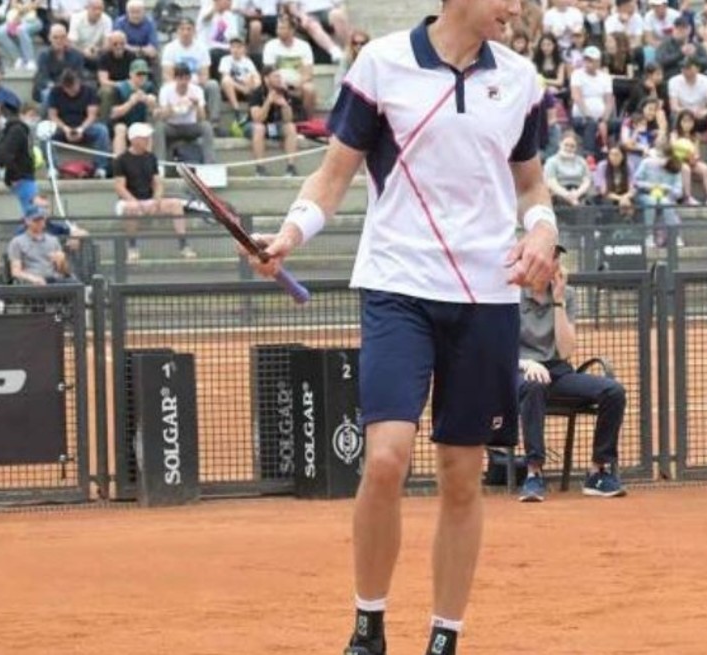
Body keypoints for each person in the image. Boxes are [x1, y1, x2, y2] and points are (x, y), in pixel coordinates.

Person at [241, 3, 559, 653]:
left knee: (461, 473)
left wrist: (545, 230)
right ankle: (369, 624)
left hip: (485, 295)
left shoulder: (522, 80)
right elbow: (333, 176)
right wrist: (290, 234)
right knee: (385, 458)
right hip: (396, 285)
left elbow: (531, 186)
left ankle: (444, 636)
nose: (518, 8)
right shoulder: (381, 64)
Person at [516, 247, 627, 502]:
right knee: (533, 386)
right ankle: (534, 474)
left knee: (613, 391)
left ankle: (597, 471)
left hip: (558, 372)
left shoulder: (567, 295)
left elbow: (566, 349)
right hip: (521, 372)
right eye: (546, 256)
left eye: (555, 257)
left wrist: (557, 301)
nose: (551, 262)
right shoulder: (511, 296)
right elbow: (497, 350)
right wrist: (527, 364)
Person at [113, 123, 200, 261]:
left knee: (176, 204)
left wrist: (156, 199)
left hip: (149, 199)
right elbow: (120, 187)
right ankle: (132, 246)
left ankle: (184, 246)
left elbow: (158, 183)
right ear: (134, 139)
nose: (148, 140)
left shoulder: (151, 157)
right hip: (128, 201)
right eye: (144, 137)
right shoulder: (121, 160)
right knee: (132, 208)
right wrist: (136, 203)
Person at [247, 68, 303, 177]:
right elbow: (257, 119)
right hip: (254, 126)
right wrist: (268, 101)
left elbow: (288, 119)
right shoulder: (257, 93)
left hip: (275, 126)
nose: (279, 79)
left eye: (279, 76)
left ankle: (291, 168)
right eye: (275, 76)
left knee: (291, 127)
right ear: (266, 79)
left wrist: (284, 105)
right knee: (259, 128)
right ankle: (260, 168)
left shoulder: (283, 92)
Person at [7, 211, 78, 285]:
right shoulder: (17, 242)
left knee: (75, 283)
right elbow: (16, 272)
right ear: (27, 222)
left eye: (42, 219)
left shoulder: (53, 240)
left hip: (52, 280)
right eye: (36, 220)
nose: (40, 223)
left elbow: (63, 272)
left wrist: (62, 261)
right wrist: (33, 279)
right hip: (30, 282)